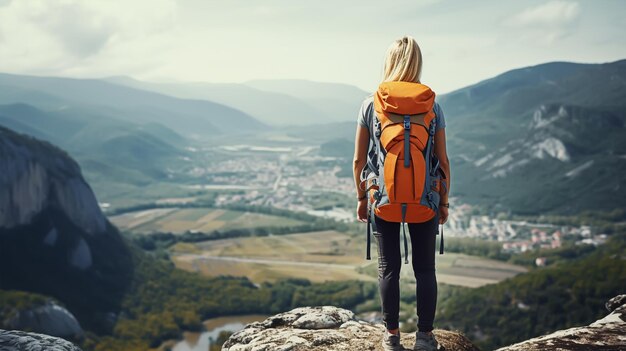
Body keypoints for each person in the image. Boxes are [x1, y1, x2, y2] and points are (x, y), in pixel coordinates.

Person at [352, 36, 450, 351]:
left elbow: (357, 159)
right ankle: (424, 337)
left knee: (388, 267)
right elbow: (443, 160)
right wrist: (444, 202)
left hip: (383, 200)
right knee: (425, 269)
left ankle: (392, 338)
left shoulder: (371, 103)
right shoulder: (432, 105)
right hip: (425, 200)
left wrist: (361, 198)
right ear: (417, 63)